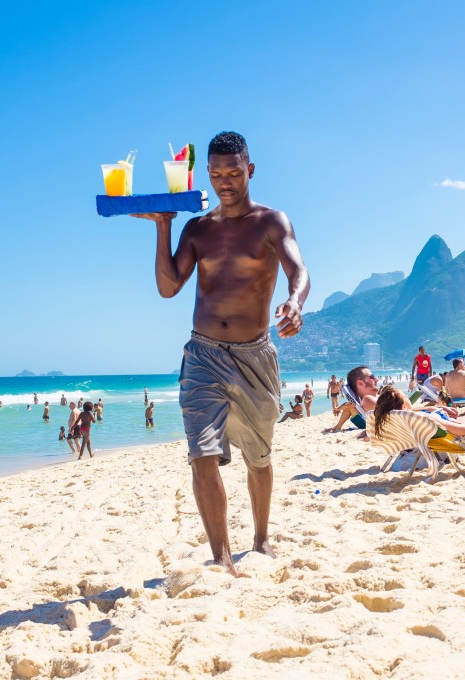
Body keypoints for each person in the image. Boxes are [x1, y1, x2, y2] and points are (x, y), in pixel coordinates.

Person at [132, 130, 310, 576]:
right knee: (202, 454)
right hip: (203, 354)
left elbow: (299, 269)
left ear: (249, 170)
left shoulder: (272, 222)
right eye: (216, 174)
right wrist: (163, 225)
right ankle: (222, 558)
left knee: (259, 458)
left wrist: (295, 302)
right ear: (207, 175)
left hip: (255, 356)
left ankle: (262, 537)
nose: (224, 182)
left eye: (233, 173)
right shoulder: (198, 229)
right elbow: (169, 287)